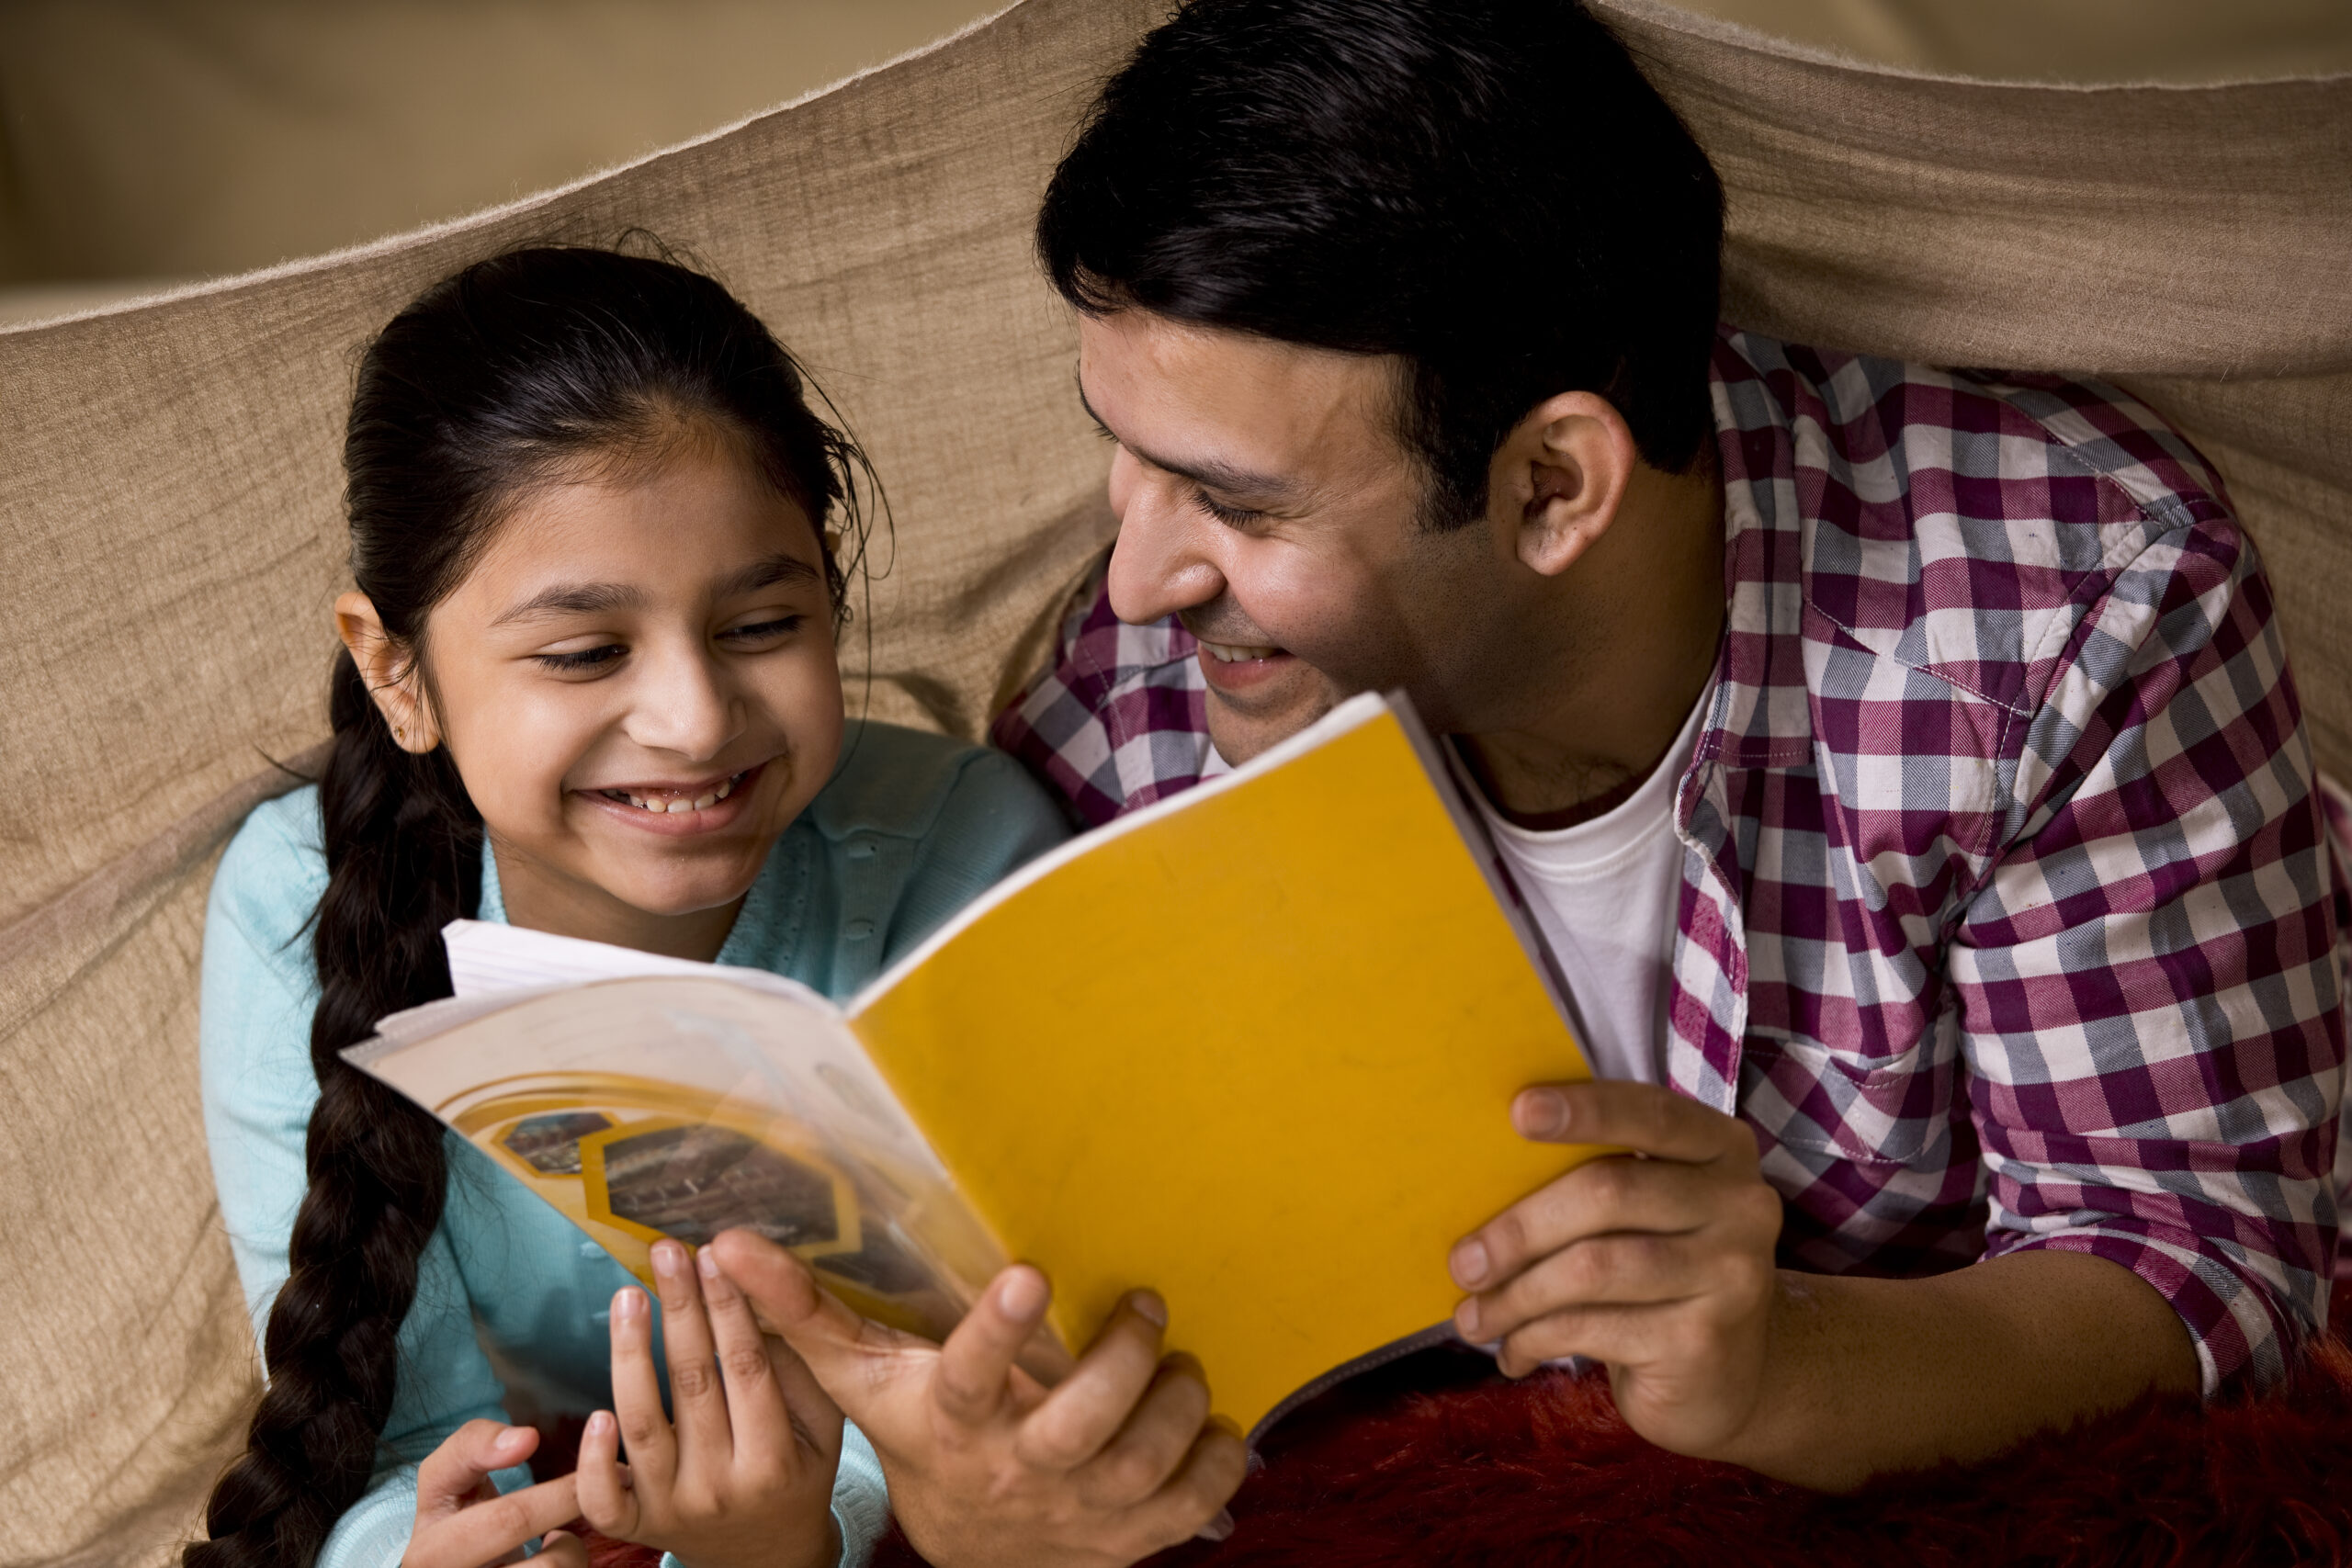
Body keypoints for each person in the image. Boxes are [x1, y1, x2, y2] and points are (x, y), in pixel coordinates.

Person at [708, 0, 2346, 1551]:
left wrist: (1784, 1359)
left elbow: (2196, 1257)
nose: (1135, 581)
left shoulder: (2067, 609)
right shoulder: (1121, 700)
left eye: (1239, 505)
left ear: (1555, 484)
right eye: (1119, 451)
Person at [190, 245, 1073, 1568]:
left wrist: (783, 1542)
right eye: (586, 652)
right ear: (395, 671)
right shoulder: (293, 908)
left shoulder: (967, 860)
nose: (694, 718)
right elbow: (383, 1440)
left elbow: (971, 1381)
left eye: (760, 624)